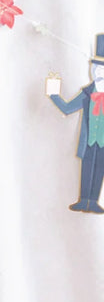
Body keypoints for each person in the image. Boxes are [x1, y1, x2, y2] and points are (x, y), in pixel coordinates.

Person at [46, 36, 104, 213]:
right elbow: (67, 108)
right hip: (88, 140)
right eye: (98, 68)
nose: (100, 72)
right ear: (92, 69)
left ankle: (93, 201)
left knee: (99, 169)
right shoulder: (86, 93)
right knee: (87, 168)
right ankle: (84, 199)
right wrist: (54, 93)